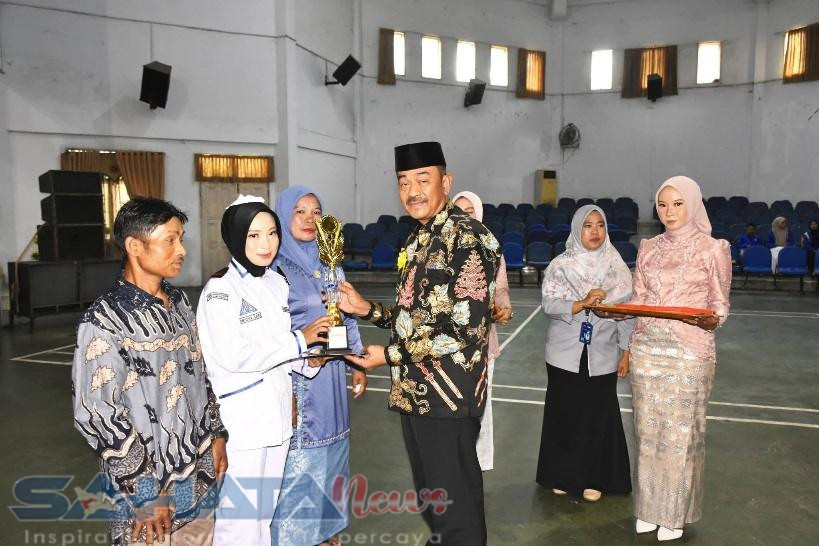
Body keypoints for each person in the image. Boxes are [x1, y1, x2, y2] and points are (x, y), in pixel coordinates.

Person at [339, 142, 501, 545]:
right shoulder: (418, 237)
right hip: (416, 391)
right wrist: (366, 310)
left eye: (422, 180)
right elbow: (415, 318)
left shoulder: (469, 238)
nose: (412, 191)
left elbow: (463, 329)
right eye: (403, 182)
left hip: (449, 395)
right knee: (435, 498)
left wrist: (388, 355)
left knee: (456, 504)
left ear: (446, 182)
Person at [72, 197, 228, 545]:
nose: (181, 250)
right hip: (147, 501)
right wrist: (145, 493)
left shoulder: (180, 302)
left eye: (181, 238)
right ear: (134, 246)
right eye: (170, 240)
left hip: (198, 482)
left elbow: (199, 375)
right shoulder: (104, 321)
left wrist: (217, 434)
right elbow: (98, 416)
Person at [196, 195, 333, 546]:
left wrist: (308, 360)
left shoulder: (276, 283)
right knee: (239, 522)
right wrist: (299, 341)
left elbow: (278, 347)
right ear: (235, 237)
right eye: (254, 235)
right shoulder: (220, 290)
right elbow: (233, 355)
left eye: (272, 233)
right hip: (243, 424)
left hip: (276, 416)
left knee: (263, 517)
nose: (266, 244)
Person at [628, 176, 731, 541]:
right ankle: (648, 509)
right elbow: (639, 297)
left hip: (689, 351)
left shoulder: (713, 248)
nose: (668, 212)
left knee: (680, 436)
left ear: (693, 204)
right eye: (662, 205)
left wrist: (710, 320)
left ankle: (673, 515)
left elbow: (720, 305)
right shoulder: (648, 247)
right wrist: (617, 311)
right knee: (647, 433)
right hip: (647, 350)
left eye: (677, 204)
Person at [270, 186, 367, 546]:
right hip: (300, 378)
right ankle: (296, 536)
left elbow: (346, 315)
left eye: (316, 211)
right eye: (300, 211)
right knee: (302, 459)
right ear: (284, 216)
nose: (310, 219)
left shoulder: (330, 263)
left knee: (333, 453)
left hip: (332, 376)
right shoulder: (275, 268)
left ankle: (326, 533)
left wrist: (357, 361)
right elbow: (272, 331)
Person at [536, 205, 634, 502]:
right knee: (564, 414)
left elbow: (628, 313)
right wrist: (582, 303)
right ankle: (561, 476)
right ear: (577, 230)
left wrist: (625, 351)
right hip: (563, 353)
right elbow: (549, 304)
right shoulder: (560, 266)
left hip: (603, 353)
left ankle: (594, 478)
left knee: (597, 417)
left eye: (600, 225)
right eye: (588, 225)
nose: (594, 231)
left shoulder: (617, 267)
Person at [452, 190, 513, 472]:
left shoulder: (492, 248)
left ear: (479, 215)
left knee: (480, 405)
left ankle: (478, 462)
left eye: (470, 211)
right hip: (446, 347)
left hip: (482, 345)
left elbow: (501, 291)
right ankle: (452, 461)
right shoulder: (439, 248)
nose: (464, 217)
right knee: (449, 405)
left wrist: (504, 309)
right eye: (458, 211)